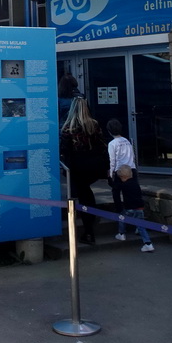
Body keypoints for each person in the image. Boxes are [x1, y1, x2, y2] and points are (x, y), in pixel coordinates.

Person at [59, 97, 108, 245]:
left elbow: (64, 150)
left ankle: (89, 231)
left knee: (82, 196)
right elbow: (102, 146)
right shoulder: (93, 125)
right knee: (85, 193)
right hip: (93, 166)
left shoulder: (68, 128)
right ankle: (90, 222)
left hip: (77, 167)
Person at [106, 119, 154, 252]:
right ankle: (138, 225)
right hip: (131, 169)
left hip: (120, 171)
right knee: (134, 194)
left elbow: (112, 160)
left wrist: (111, 173)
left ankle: (121, 223)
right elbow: (132, 155)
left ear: (109, 130)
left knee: (118, 195)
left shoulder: (112, 143)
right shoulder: (127, 141)